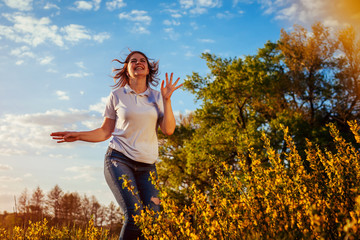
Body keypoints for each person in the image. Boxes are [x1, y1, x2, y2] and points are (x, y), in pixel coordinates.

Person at [51, 50, 182, 240]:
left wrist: (167, 100)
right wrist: (78, 135)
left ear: (148, 69)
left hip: (148, 167)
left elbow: (168, 130)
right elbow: (105, 131)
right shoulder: (117, 95)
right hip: (119, 160)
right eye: (133, 61)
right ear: (127, 70)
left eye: (142, 60)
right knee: (135, 217)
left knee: (153, 220)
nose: (138, 62)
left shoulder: (158, 96)